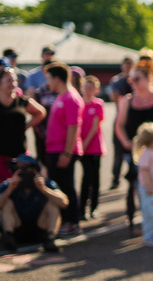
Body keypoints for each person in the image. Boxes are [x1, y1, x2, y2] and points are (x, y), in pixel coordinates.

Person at [115, 63, 153, 235]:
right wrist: (125, 142)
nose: (133, 83)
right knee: (137, 187)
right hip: (136, 153)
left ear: (148, 78)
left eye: (136, 79)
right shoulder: (128, 100)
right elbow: (119, 125)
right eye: (130, 79)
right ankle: (141, 223)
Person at [43, 61, 84, 237]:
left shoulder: (71, 98)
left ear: (58, 79)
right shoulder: (61, 96)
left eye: (49, 79)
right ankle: (62, 220)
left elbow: (73, 127)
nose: (48, 83)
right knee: (58, 185)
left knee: (66, 186)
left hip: (63, 151)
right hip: (55, 150)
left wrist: (67, 152)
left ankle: (71, 222)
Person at [0, 154, 68, 254]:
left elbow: (64, 202)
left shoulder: (45, 183)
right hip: (17, 229)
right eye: (16, 168)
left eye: (23, 168)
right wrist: (9, 190)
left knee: (52, 204)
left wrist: (44, 190)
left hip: (40, 229)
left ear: (34, 170)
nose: (19, 172)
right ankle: (8, 237)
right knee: (7, 203)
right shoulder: (9, 184)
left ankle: (50, 238)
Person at [0, 67, 46, 181]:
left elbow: (40, 112)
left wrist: (27, 125)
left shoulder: (21, 101)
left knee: (20, 188)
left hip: (19, 154)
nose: (13, 84)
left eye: (14, 81)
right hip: (1, 156)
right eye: (9, 81)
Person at [78, 76, 105, 220]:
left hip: (94, 147)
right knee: (86, 178)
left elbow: (94, 127)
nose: (88, 91)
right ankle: (81, 208)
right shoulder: (78, 103)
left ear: (96, 89)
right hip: (81, 147)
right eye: (85, 87)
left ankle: (93, 207)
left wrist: (84, 144)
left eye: (91, 88)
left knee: (95, 178)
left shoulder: (98, 104)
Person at [107, 56, 135, 189]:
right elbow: (114, 97)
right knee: (118, 152)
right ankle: (115, 178)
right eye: (126, 64)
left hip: (133, 119)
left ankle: (133, 175)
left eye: (130, 64)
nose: (128, 66)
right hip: (120, 117)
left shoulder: (135, 79)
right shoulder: (116, 80)